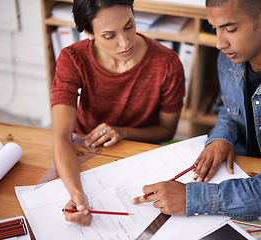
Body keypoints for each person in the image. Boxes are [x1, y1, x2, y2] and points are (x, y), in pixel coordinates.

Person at [133, 0, 261, 220]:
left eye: (230, 29)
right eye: (215, 28)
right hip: (243, 173)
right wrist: (222, 136)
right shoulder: (231, 55)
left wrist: (195, 197)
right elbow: (230, 110)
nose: (219, 43)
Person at [52, 0, 185, 226]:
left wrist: (123, 132)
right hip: (88, 152)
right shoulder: (73, 59)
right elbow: (62, 136)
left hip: (141, 155)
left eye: (129, 25)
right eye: (109, 35)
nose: (125, 43)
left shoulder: (167, 63)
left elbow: (166, 131)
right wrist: (76, 194)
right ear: (88, 33)